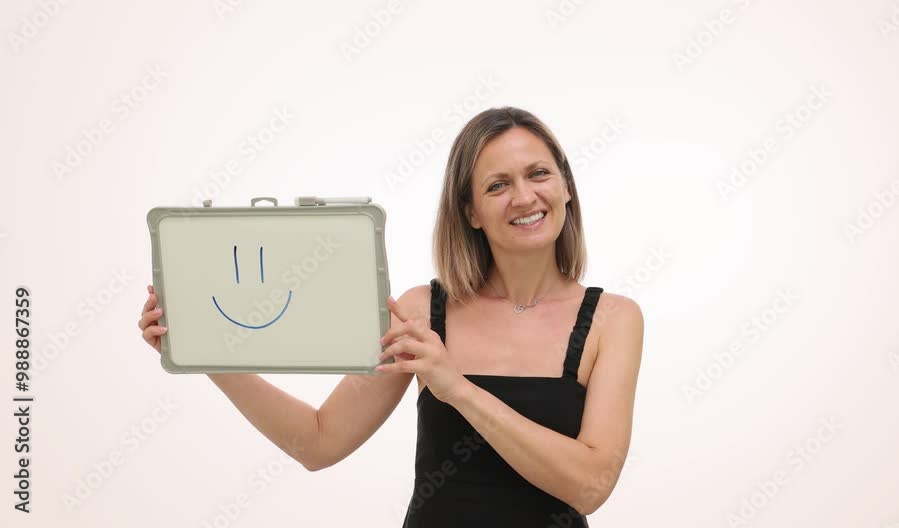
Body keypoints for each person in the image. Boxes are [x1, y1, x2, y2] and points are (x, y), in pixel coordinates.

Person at [138, 106, 644, 527]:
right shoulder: (423, 311)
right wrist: (204, 350)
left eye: (538, 173)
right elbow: (318, 441)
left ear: (566, 186)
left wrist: (456, 388)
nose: (524, 196)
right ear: (470, 211)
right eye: (497, 185)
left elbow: (590, 487)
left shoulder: (612, 320)